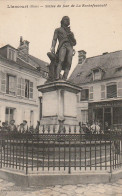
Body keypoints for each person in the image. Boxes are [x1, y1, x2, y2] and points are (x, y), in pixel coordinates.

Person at [50, 16, 76, 80]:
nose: (68, 21)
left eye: (68, 20)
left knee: (69, 63)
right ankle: (57, 76)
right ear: (62, 21)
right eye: (66, 19)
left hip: (70, 47)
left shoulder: (70, 32)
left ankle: (65, 78)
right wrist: (53, 47)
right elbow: (54, 39)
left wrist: (71, 37)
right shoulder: (58, 30)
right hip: (63, 45)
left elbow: (74, 43)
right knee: (61, 60)